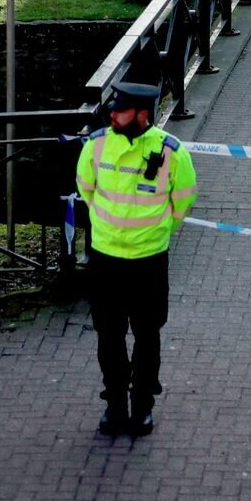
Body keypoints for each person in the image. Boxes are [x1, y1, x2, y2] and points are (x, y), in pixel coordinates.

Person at [76, 82, 198, 437]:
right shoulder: (96, 145)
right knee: (108, 335)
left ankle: (143, 404)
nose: (113, 115)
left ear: (143, 114)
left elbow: (184, 200)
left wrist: (154, 231)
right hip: (106, 259)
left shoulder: (171, 152)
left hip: (148, 260)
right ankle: (115, 404)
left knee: (147, 334)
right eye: (113, 110)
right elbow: (86, 188)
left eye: (122, 111)